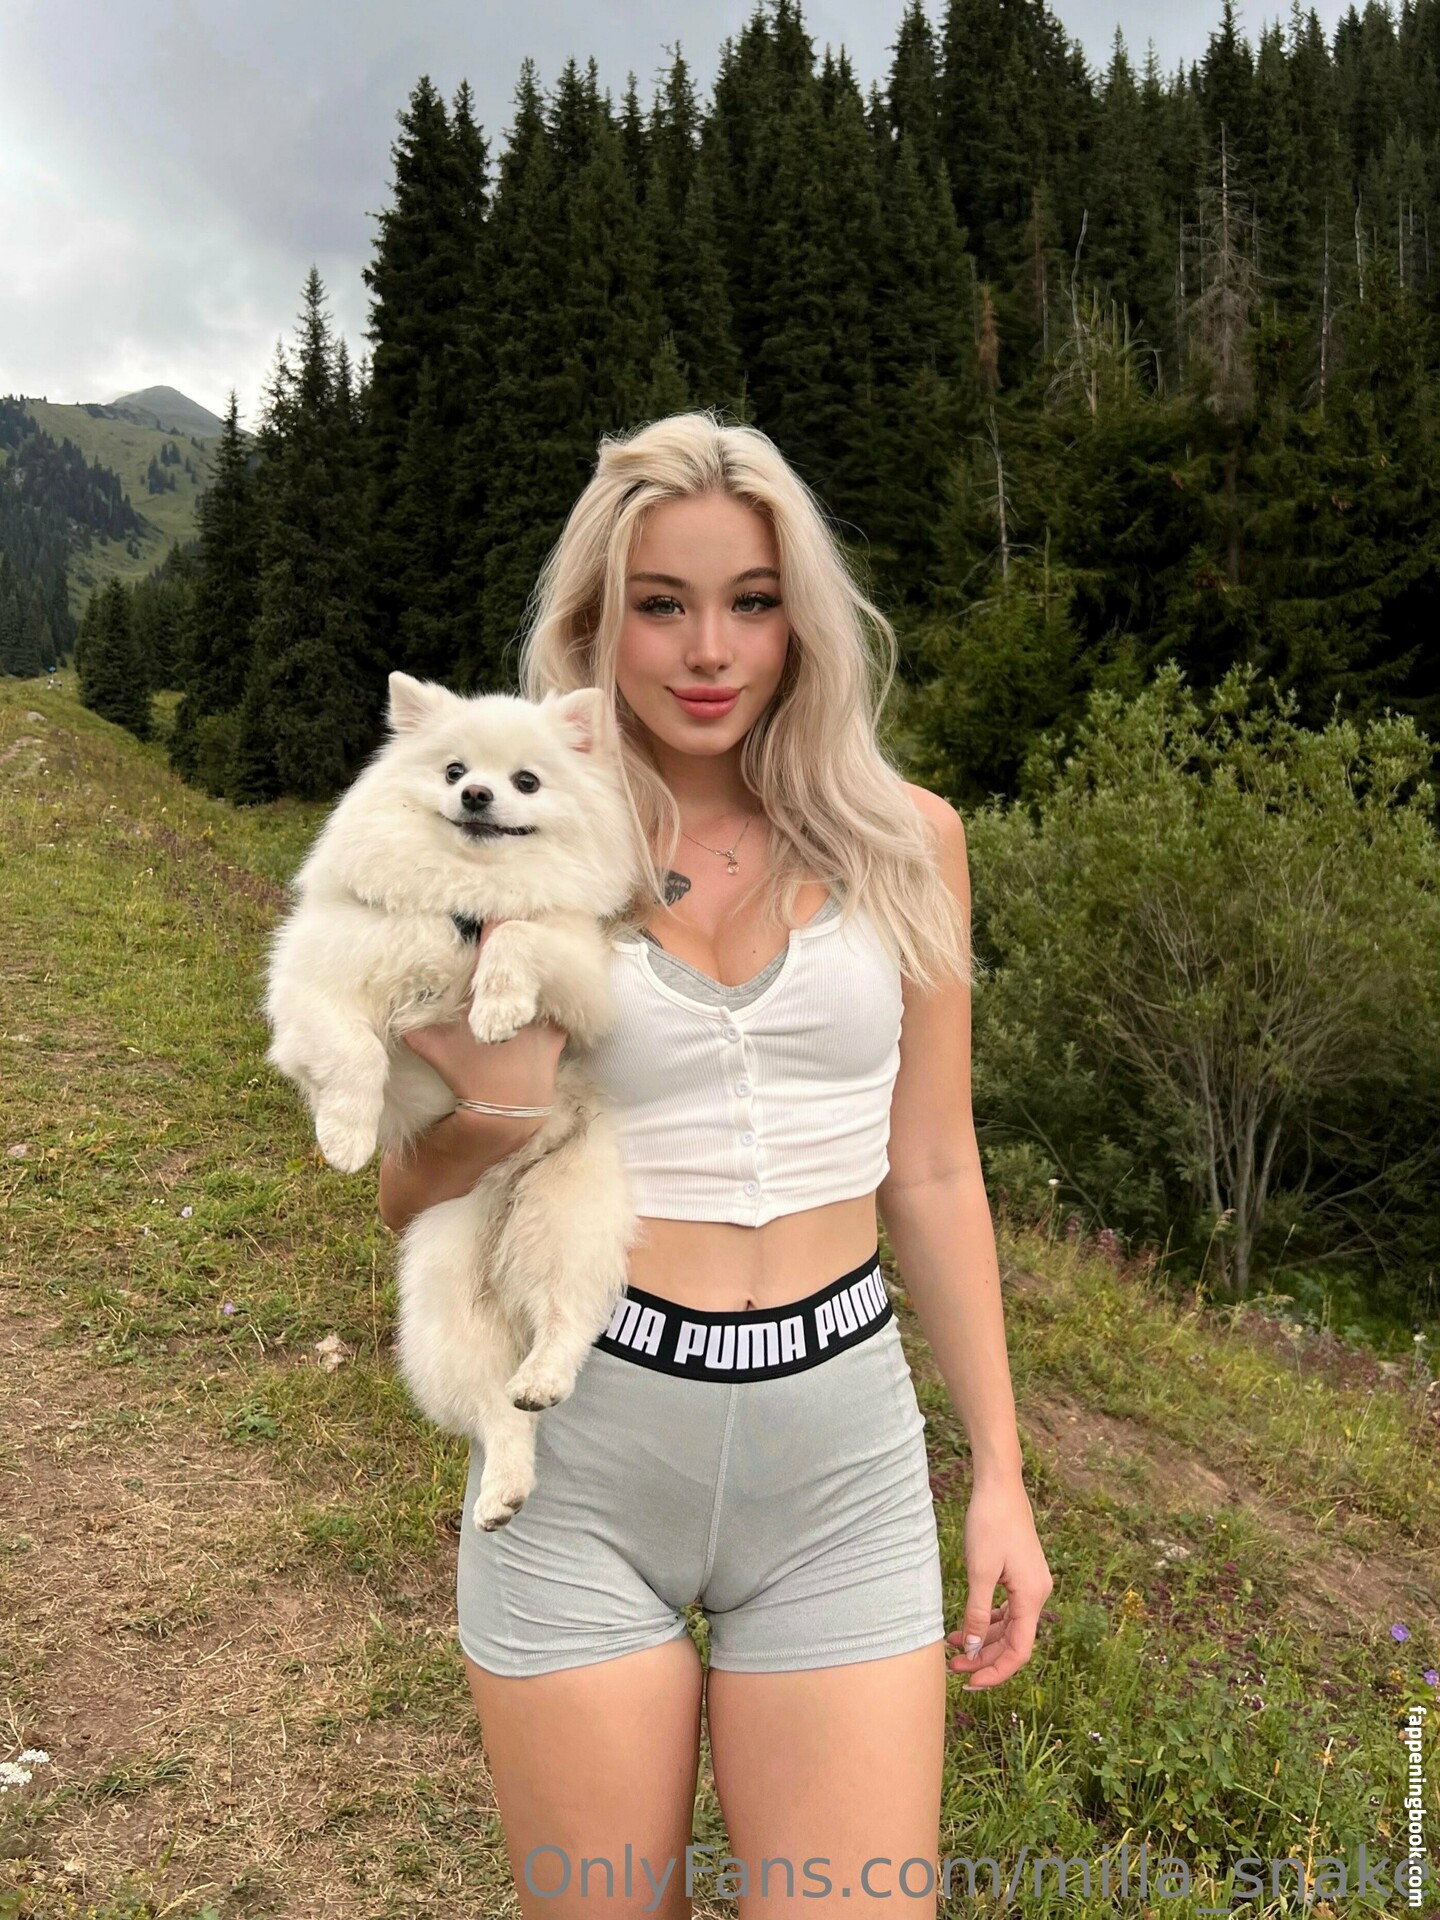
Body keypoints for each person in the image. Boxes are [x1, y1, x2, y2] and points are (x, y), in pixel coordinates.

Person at [378, 412, 1052, 1919]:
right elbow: (405, 1190)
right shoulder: (508, 854)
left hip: (842, 1461)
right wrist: (485, 1114)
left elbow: (935, 1170)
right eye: (660, 605)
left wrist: (1000, 1475)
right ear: (594, 626)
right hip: (581, 1451)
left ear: (801, 620)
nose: (707, 650)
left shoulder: (907, 844)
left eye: (751, 601)